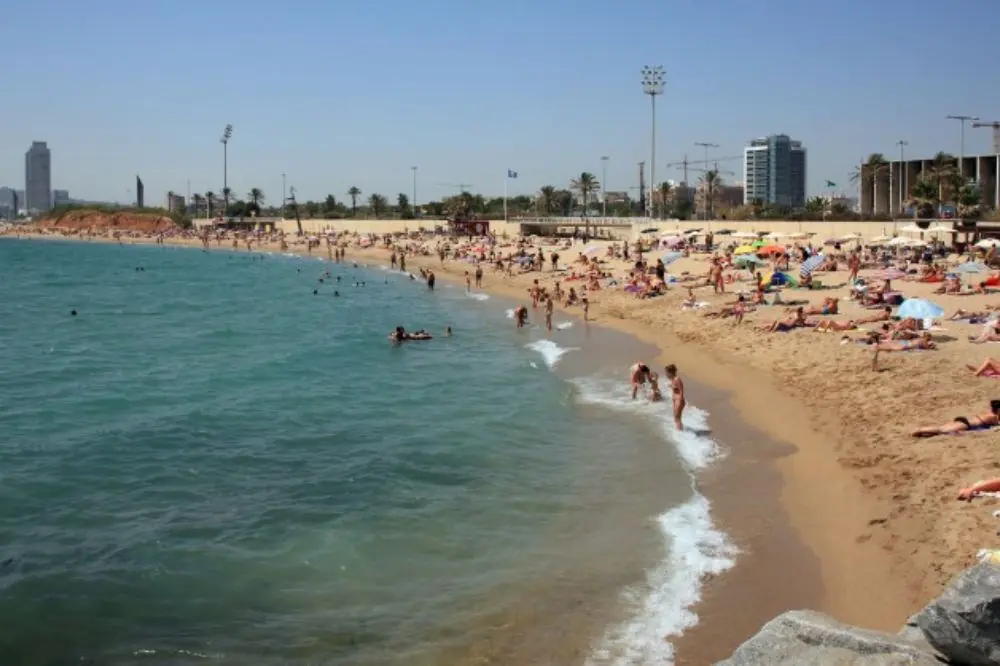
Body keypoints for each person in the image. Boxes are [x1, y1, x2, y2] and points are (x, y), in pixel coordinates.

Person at [911, 400, 1000, 437]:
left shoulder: (989, 413)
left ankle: (923, 432)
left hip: (963, 421)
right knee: (942, 430)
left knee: (942, 430)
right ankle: (920, 429)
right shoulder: (993, 417)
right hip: (965, 424)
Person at [664, 364, 686, 430]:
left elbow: (681, 391)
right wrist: (671, 386)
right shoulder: (673, 379)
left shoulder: (677, 379)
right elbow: (676, 388)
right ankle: (679, 430)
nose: (666, 374)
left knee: (677, 418)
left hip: (679, 400)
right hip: (676, 400)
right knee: (676, 418)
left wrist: (680, 402)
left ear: (671, 372)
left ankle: (680, 433)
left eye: (667, 372)